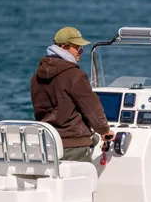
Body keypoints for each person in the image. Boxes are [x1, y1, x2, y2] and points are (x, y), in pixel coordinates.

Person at [31, 27, 114, 163]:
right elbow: (92, 108)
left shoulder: (36, 76)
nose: (81, 52)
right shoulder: (74, 75)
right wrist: (104, 131)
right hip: (74, 145)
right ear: (65, 47)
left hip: (48, 143)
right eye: (78, 48)